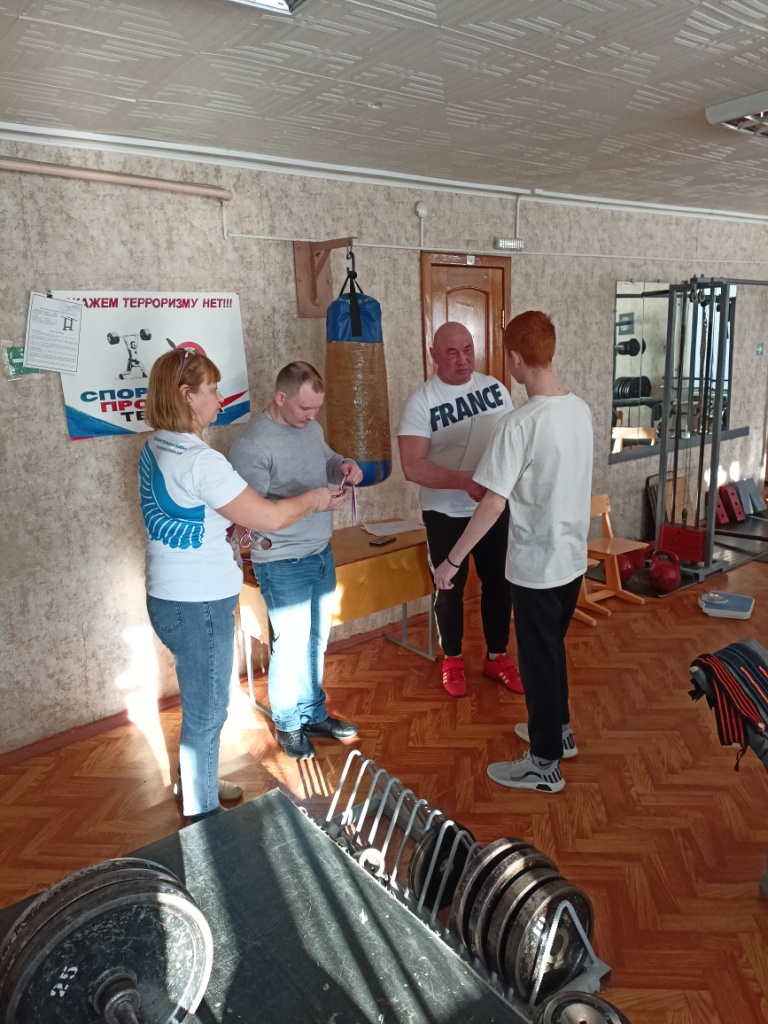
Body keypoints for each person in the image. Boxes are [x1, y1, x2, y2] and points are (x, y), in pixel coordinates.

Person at [140, 348, 347, 823]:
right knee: (209, 711)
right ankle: (204, 817)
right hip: (197, 602)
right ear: (186, 395)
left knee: (202, 704)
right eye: (212, 389)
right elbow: (268, 516)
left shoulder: (157, 445)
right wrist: (316, 499)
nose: (220, 397)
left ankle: (198, 783)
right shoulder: (201, 460)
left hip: (171, 596)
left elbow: (211, 515)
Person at [434, 311, 593, 793]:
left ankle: (544, 764)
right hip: (572, 561)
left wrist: (452, 561)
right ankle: (559, 732)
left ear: (516, 358)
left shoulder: (519, 423)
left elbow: (491, 503)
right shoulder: (579, 409)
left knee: (538, 663)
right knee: (550, 651)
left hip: (538, 567)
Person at [228, 361, 363, 761]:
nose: (312, 416)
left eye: (316, 408)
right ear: (280, 397)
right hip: (282, 560)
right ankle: (288, 723)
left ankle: (313, 714)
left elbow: (326, 459)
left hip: (320, 551)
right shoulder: (251, 445)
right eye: (305, 408)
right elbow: (250, 512)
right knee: (290, 647)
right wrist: (312, 501)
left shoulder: (311, 427)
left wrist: (342, 465)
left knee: (316, 641)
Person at [397, 321, 520, 698]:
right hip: (445, 513)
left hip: (493, 508)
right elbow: (412, 466)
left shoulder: (495, 389)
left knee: (499, 582)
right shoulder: (421, 402)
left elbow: (513, 442)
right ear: (433, 355)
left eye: (468, 350)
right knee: (448, 586)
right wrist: (464, 481)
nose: (463, 360)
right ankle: (452, 658)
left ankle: (496, 656)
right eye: (452, 353)